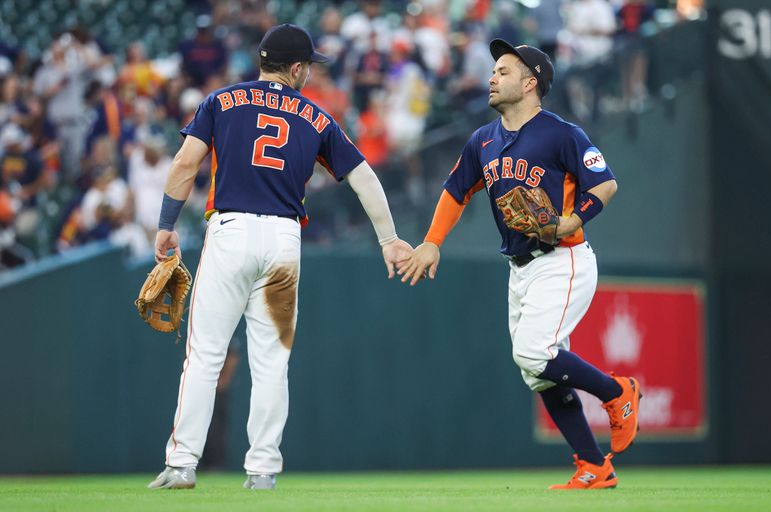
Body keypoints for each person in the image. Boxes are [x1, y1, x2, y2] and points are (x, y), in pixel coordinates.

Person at [148, 23, 413, 491]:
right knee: (271, 362)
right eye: (307, 65)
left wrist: (168, 223)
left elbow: (186, 162)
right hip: (283, 242)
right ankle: (263, 471)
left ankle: (182, 464)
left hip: (230, 233)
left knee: (205, 356)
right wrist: (389, 238)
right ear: (295, 68)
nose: (309, 72)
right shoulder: (316, 116)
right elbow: (364, 177)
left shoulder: (221, 101)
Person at [398, 40, 641, 490]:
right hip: (520, 267)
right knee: (537, 373)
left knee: (533, 353)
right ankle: (593, 466)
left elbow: (605, 185)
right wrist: (431, 242)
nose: (492, 77)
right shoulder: (483, 141)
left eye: (504, 71)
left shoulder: (561, 132)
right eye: (493, 70)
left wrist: (572, 218)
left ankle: (617, 392)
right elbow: (455, 191)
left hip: (562, 259)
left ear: (531, 83)